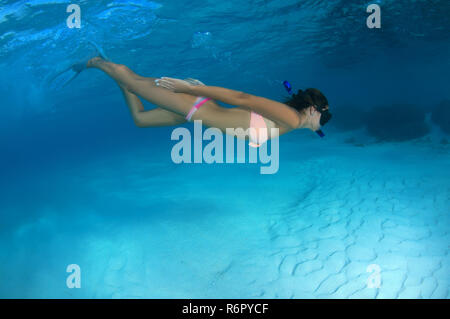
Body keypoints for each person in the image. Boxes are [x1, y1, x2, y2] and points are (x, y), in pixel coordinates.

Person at [57, 42, 332, 147]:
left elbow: (248, 124)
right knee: (134, 80)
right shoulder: (293, 119)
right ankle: (93, 62)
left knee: (139, 118)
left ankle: (118, 80)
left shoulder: (290, 124)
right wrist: (189, 88)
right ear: (313, 110)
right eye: (325, 116)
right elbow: (242, 98)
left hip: (193, 114)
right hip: (192, 102)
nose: (324, 122)